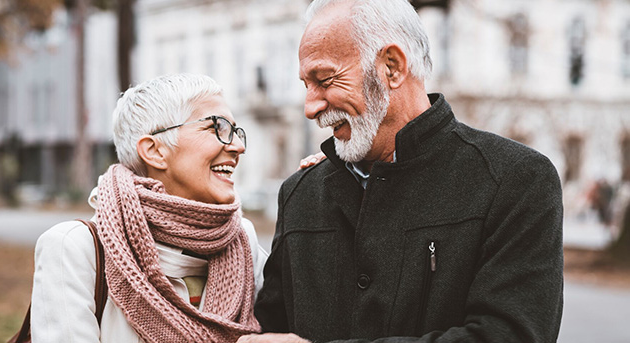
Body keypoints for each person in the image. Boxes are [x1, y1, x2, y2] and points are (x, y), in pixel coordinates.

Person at [240, 0, 564, 342]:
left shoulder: (515, 180)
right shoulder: (300, 193)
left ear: (391, 67)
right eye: (307, 85)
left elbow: (509, 335)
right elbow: (267, 329)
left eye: (325, 80)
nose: (310, 107)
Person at [30, 73, 268, 342]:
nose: (237, 146)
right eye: (217, 128)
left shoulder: (242, 239)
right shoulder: (74, 249)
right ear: (155, 151)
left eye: (235, 131)